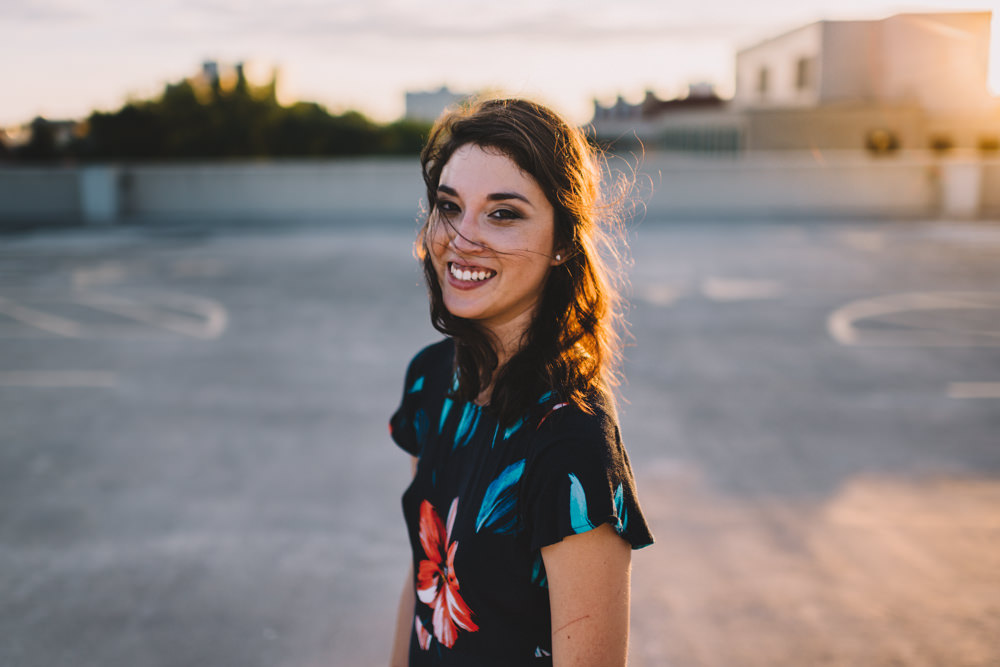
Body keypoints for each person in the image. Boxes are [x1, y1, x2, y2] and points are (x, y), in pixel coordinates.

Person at [388, 98, 653, 666]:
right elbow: (424, 586)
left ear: (562, 241)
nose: (462, 238)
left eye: (503, 214)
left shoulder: (571, 442)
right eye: (449, 206)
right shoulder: (430, 382)